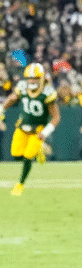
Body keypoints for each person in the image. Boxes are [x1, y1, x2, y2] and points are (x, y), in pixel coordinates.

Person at [1, 63, 60, 195]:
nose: (32, 81)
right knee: (16, 155)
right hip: (22, 128)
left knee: (28, 157)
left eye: (35, 78)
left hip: (37, 130)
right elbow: (12, 98)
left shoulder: (48, 92)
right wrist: (1, 109)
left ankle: (20, 185)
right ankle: (40, 149)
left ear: (41, 77)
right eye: (29, 78)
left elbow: (56, 117)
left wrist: (45, 133)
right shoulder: (22, 86)